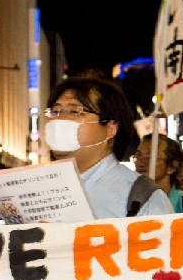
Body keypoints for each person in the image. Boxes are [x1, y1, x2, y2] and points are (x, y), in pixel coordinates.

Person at [44, 74, 172, 218]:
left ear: (110, 128)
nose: (60, 118)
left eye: (74, 111)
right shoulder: (33, 189)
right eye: (55, 111)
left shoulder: (142, 196)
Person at [134, 134, 183, 213]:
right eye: (138, 155)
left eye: (150, 156)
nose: (141, 161)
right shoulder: (129, 203)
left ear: (171, 167)